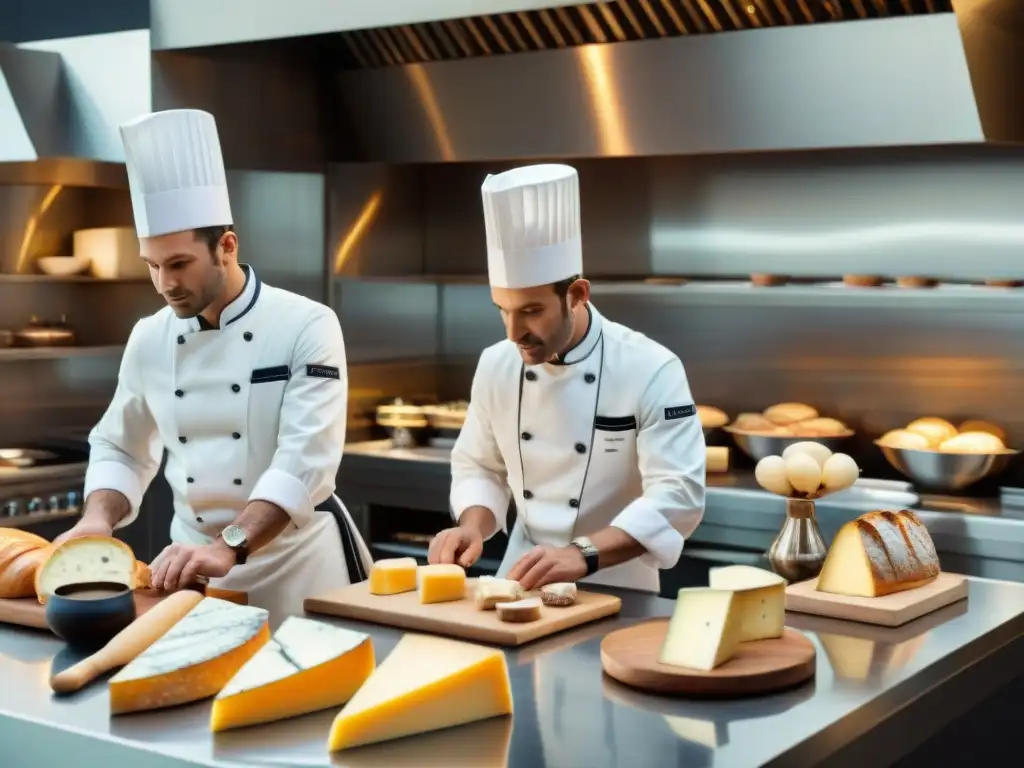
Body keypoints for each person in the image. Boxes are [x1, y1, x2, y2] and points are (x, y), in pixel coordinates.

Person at [55, 109, 371, 620]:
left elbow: (304, 461)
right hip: (192, 570)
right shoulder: (149, 337)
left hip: (300, 570)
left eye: (179, 263)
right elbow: (120, 444)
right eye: (152, 266)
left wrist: (228, 545)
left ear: (227, 246)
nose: (164, 284)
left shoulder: (307, 325)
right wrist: (98, 519)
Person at [427, 163, 706, 593]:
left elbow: (677, 496)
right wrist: (472, 526)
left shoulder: (651, 368)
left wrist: (583, 553)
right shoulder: (496, 364)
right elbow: (480, 466)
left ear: (576, 296)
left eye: (531, 311)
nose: (513, 332)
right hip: (518, 584)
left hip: (619, 590)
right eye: (502, 309)